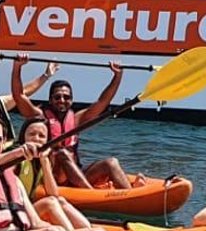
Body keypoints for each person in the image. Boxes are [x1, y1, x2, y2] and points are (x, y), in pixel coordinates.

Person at [11, 54, 134, 189]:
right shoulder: (40, 117)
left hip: (76, 174)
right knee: (62, 153)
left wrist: (117, 77)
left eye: (66, 97)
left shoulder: (76, 119)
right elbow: (19, 96)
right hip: (53, 175)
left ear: (72, 100)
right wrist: (17, 67)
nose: (62, 100)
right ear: (50, 100)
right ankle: (90, 194)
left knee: (111, 162)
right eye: (57, 97)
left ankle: (130, 196)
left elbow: (103, 102)